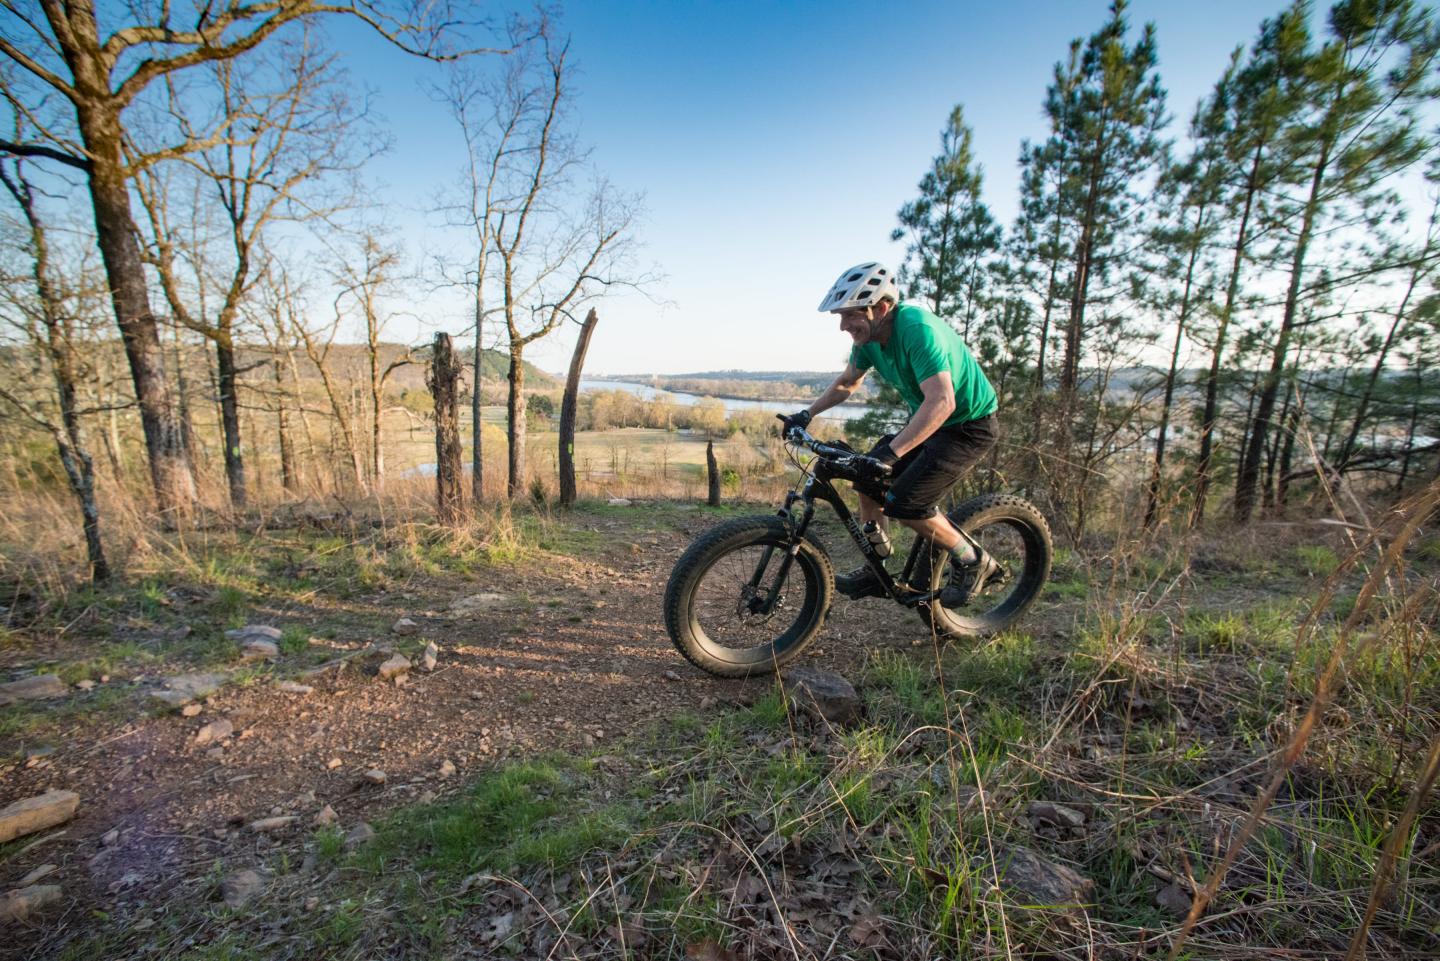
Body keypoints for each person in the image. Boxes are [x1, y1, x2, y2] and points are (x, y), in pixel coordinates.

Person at [780, 261, 1000, 607]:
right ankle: (877, 569)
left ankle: (973, 560)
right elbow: (848, 382)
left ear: (881, 308)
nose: (842, 326)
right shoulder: (868, 339)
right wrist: (806, 414)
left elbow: (942, 402)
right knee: (866, 479)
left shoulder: (917, 329)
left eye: (850, 315)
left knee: (907, 504)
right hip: (930, 421)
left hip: (967, 426)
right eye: (840, 316)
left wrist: (891, 454)